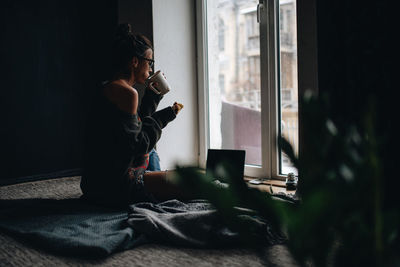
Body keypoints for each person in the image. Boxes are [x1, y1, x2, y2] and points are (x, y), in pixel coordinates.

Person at [80, 23, 186, 207]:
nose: (151, 69)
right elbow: (138, 145)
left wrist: (153, 96)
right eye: (150, 62)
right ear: (134, 61)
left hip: (95, 184)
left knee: (160, 162)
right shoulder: (127, 93)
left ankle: (154, 182)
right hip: (116, 187)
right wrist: (164, 117)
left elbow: (134, 130)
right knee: (193, 183)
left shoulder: (112, 87)